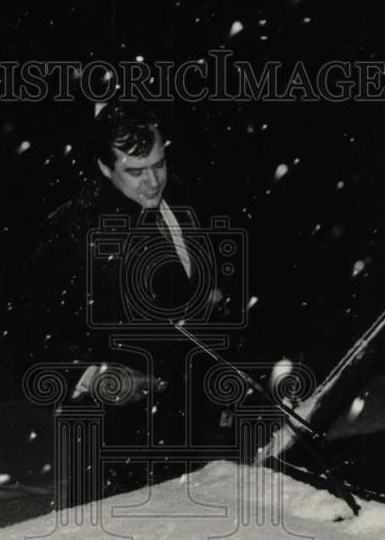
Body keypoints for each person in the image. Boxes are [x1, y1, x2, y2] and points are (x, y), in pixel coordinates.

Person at [23, 99, 232, 501]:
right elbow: (34, 350)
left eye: (159, 163)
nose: (153, 182)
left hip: (197, 434)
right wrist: (96, 378)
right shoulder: (70, 232)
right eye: (135, 171)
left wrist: (211, 294)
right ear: (104, 168)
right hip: (117, 450)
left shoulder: (181, 198)